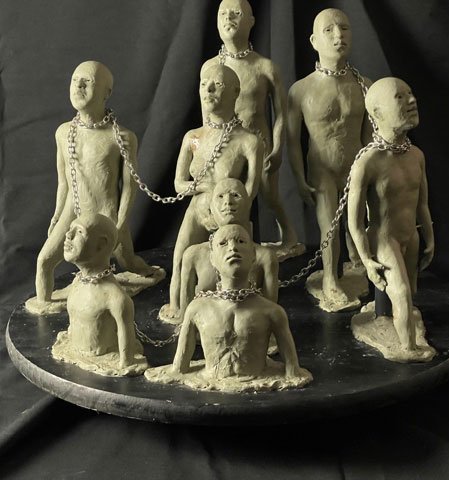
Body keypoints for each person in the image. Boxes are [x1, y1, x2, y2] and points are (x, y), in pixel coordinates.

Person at [26, 61, 161, 315]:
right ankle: (44, 304)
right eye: (74, 80)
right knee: (44, 261)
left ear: (106, 92)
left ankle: (149, 272)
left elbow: (130, 186)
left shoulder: (121, 137)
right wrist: (57, 216)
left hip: (106, 214)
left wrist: (121, 223)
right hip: (73, 210)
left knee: (127, 260)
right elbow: (64, 182)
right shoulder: (64, 133)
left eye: (87, 81)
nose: (78, 86)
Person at [145, 224, 312, 392]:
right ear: (212, 259)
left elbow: (293, 371)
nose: (233, 247)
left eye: (241, 241)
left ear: (253, 255)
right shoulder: (197, 309)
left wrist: (293, 374)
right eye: (223, 243)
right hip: (211, 385)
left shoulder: (272, 312)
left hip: (257, 386)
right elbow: (179, 367)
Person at [159, 64, 263, 322]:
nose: (209, 89)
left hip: (232, 211)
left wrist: (231, 213)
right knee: (180, 257)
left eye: (218, 84)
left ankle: (240, 308)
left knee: (236, 265)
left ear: (235, 92)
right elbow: (178, 184)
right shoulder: (194, 138)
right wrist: (205, 188)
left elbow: (251, 188)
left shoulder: (247, 141)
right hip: (198, 209)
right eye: (204, 84)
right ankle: (178, 308)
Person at [202, 0, 303, 260]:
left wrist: (278, 147)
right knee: (226, 194)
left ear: (251, 21)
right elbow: (206, 116)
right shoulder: (210, 68)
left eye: (236, 13)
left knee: (268, 193)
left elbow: (281, 113)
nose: (229, 19)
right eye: (223, 14)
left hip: (259, 140)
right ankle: (230, 244)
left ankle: (289, 237)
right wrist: (205, 150)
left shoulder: (264, 67)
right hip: (224, 145)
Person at [287, 9, 372, 311]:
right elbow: (293, 141)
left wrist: (372, 173)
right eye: (329, 30)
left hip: (355, 167)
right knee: (329, 227)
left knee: (357, 223)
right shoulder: (301, 90)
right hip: (322, 169)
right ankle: (330, 280)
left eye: (345, 28)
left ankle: (357, 263)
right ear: (313, 41)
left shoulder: (364, 85)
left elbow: (370, 137)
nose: (339, 36)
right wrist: (299, 178)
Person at [347, 77, 435, 361]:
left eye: (411, 93)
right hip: (385, 239)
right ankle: (408, 348)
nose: (412, 100)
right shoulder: (367, 162)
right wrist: (366, 259)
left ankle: (398, 324)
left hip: (412, 234)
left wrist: (430, 238)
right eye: (399, 97)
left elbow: (422, 204)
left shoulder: (417, 155)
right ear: (377, 112)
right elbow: (354, 222)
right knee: (401, 293)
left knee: (410, 294)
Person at [52, 213, 148, 376]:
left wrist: (125, 362)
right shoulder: (77, 282)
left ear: (101, 245)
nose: (68, 235)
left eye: (79, 231)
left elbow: (126, 339)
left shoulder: (115, 298)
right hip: (75, 351)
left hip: (99, 357)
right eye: (70, 229)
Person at [179, 178, 278, 319]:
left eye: (236, 195)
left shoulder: (265, 257)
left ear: (248, 204)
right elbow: (186, 317)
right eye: (220, 196)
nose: (228, 202)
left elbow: (271, 316)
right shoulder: (193, 255)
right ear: (211, 206)